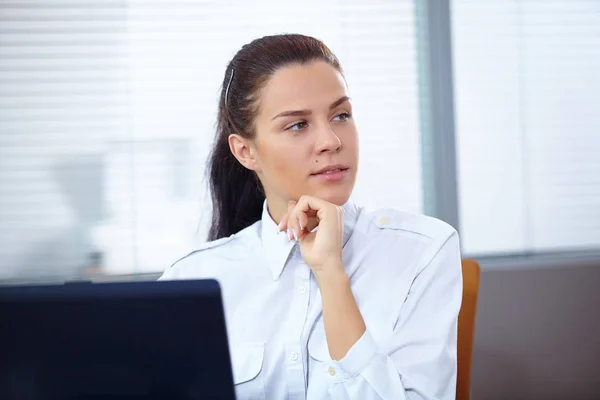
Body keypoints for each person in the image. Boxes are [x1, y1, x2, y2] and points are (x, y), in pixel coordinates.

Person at [159, 34, 463, 400]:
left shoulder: (422, 252)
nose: (331, 140)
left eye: (341, 115)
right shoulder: (192, 277)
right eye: (298, 125)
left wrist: (331, 274)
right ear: (245, 151)